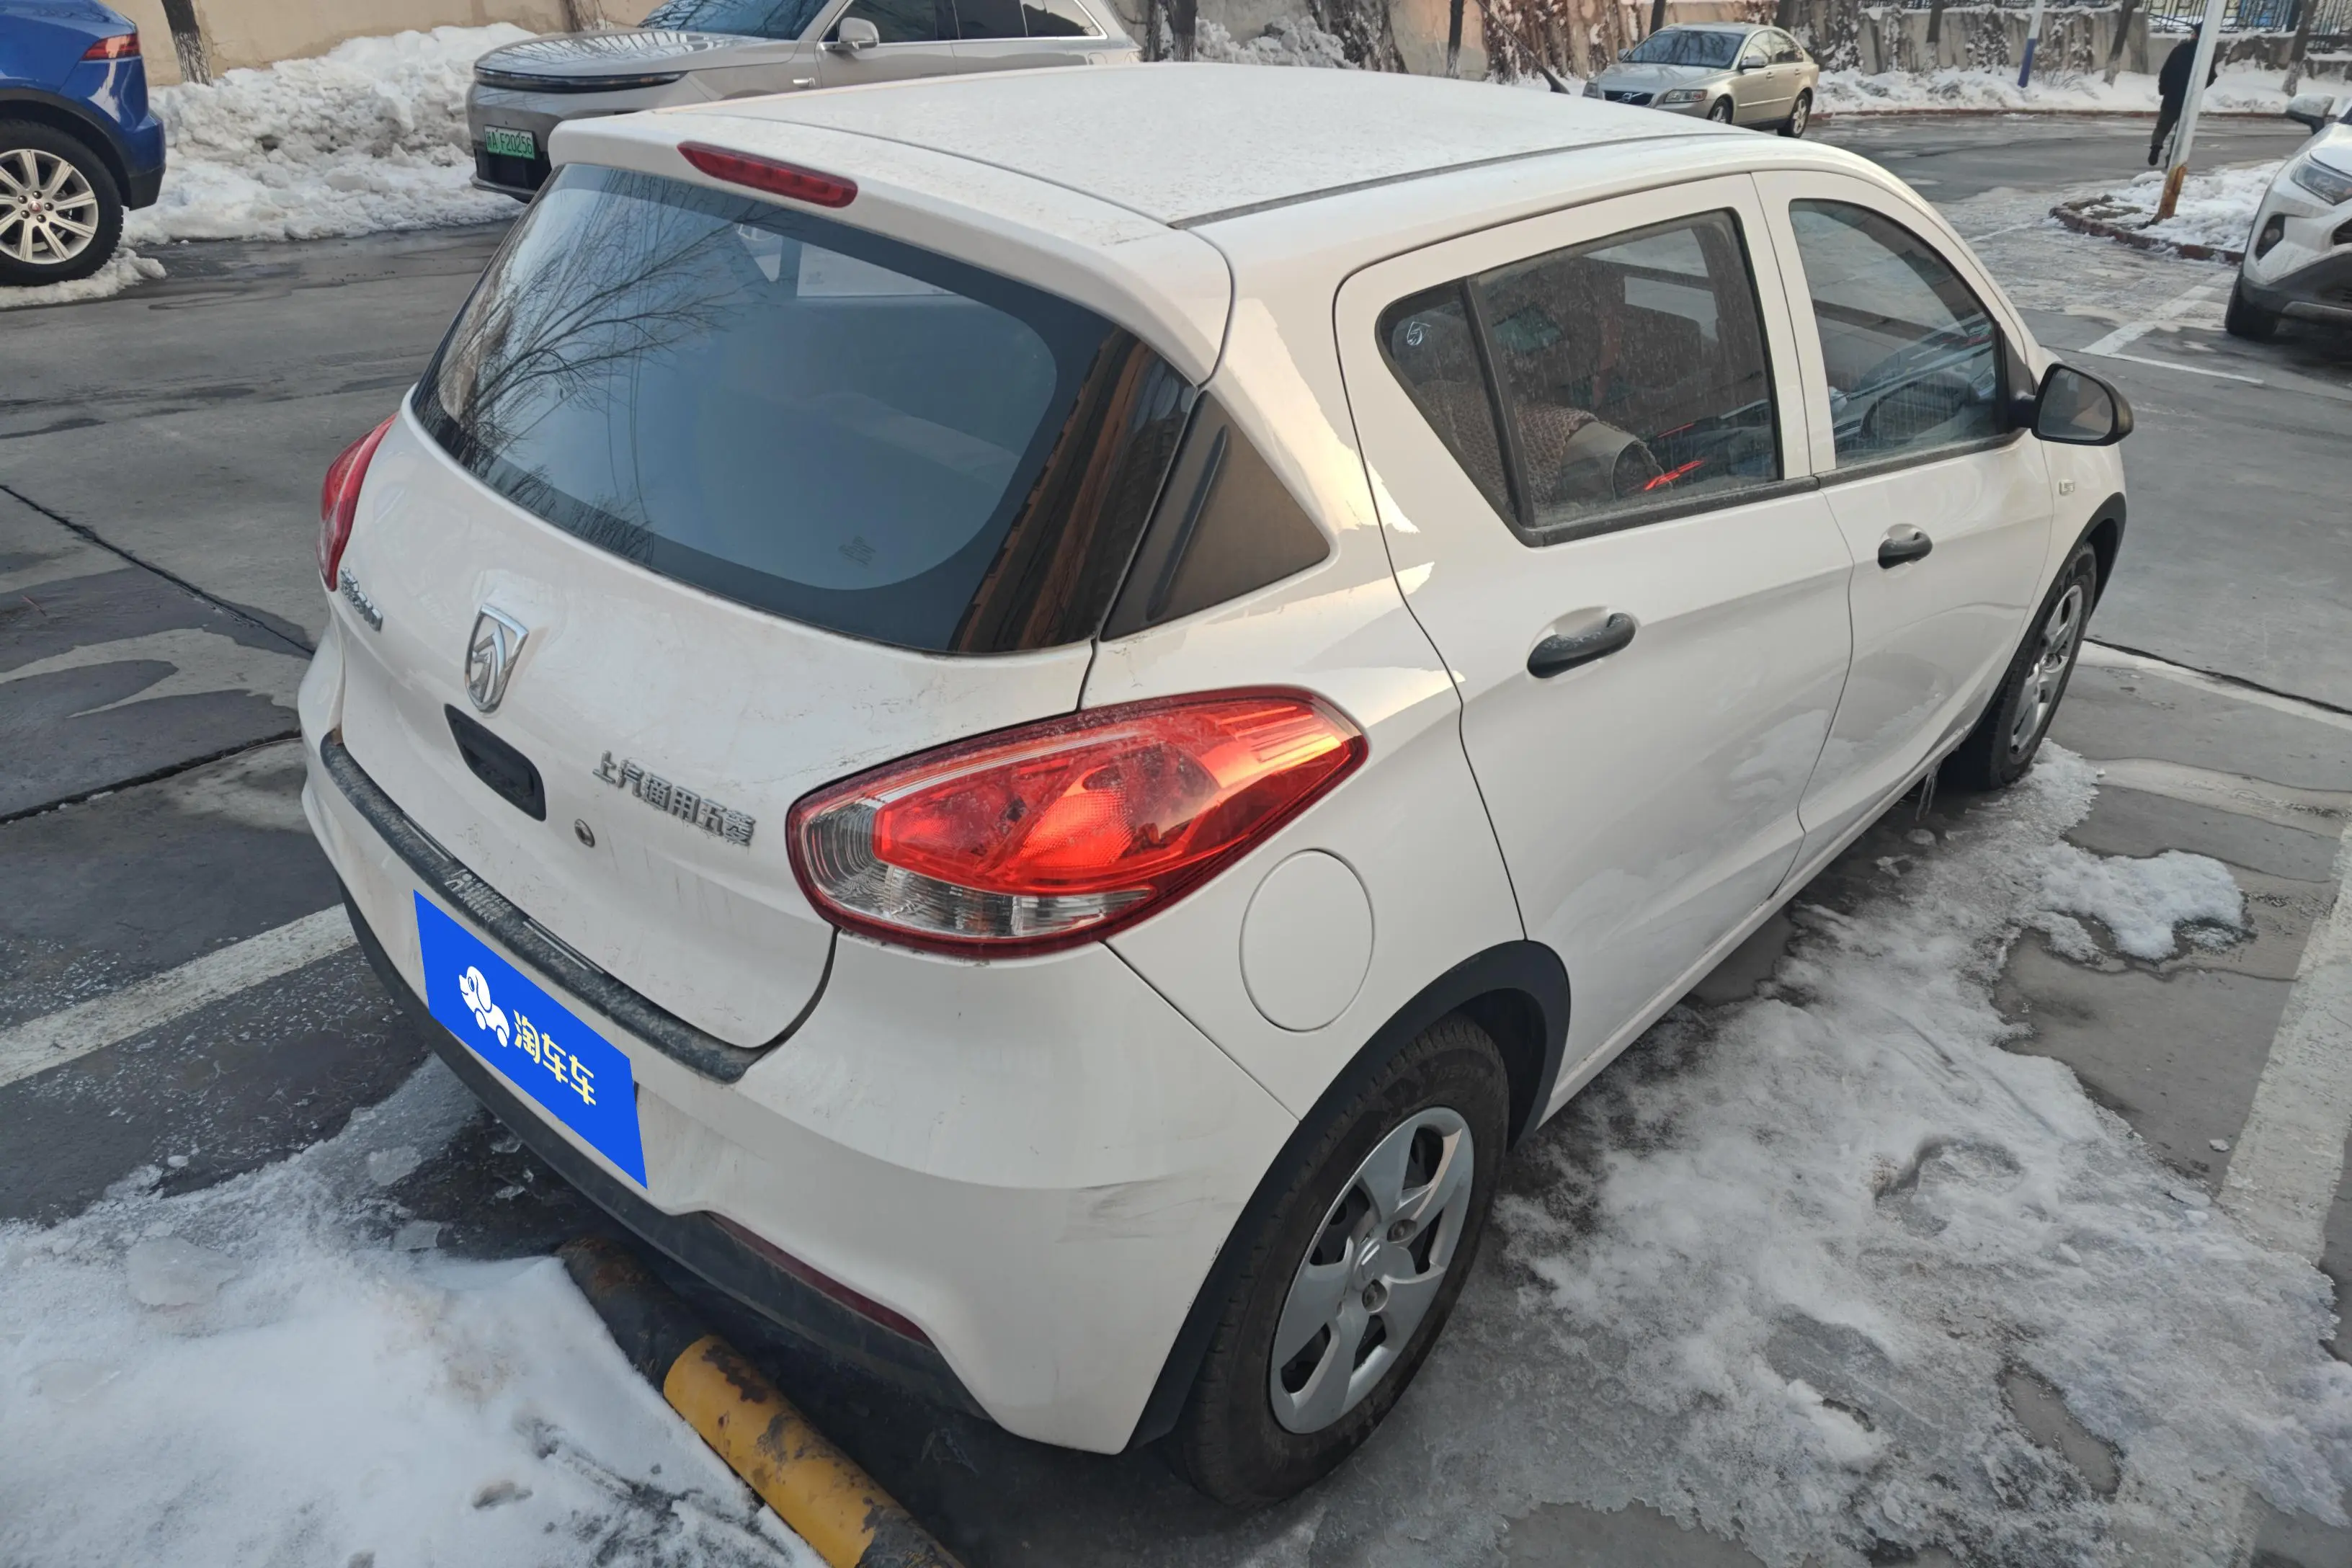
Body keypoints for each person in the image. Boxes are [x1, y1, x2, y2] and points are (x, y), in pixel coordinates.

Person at [2150, 40, 2220, 166]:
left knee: (2162, 126)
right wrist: (2199, 88)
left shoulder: (2180, 50)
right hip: (2191, 98)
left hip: (2172, 95)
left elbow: (2166, 71)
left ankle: (2156, 144)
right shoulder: (2207, 54)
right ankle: (2172, 159)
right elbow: (2211, 76)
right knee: (2181, 132)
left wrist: (2163, 88)